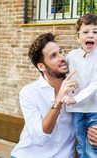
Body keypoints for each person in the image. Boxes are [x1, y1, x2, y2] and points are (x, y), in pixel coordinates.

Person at [10, 32, 97, 158]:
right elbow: (39, 138)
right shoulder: (29, 92)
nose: (62, 58)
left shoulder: (79, 90)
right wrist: (58, 101)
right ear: (41, 66)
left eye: (60, 52)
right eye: (53, 56)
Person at [62, 13, 97, 158]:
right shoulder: (71, 56)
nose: (91, 36)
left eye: (95, 32)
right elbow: (64, 76)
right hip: (76, 110)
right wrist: (66, 90)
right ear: (78, 37)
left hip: (94, 108)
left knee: (92, 145)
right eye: (86, 32)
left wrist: (75, 98)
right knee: (81, 144)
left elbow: (95, 83)